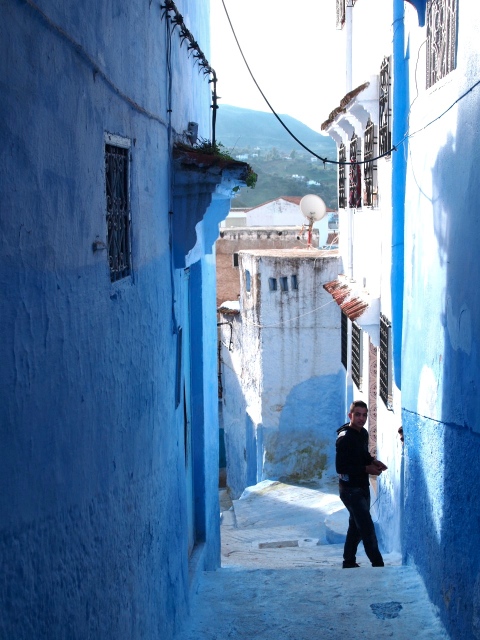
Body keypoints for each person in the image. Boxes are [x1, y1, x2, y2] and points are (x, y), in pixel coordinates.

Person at [335, 400, 387, 568]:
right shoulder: (344, 438)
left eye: (364, 415)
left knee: (355, 527)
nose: (361, 418)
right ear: (350, 415)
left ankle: (348, 561)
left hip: (362, 488)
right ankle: (378, 564)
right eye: (357, 415)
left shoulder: (363, 433)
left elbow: (362, 455)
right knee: (366, 527)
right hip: (350, 491)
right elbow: (340, 467)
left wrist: (374, 461)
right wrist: (367, 469)